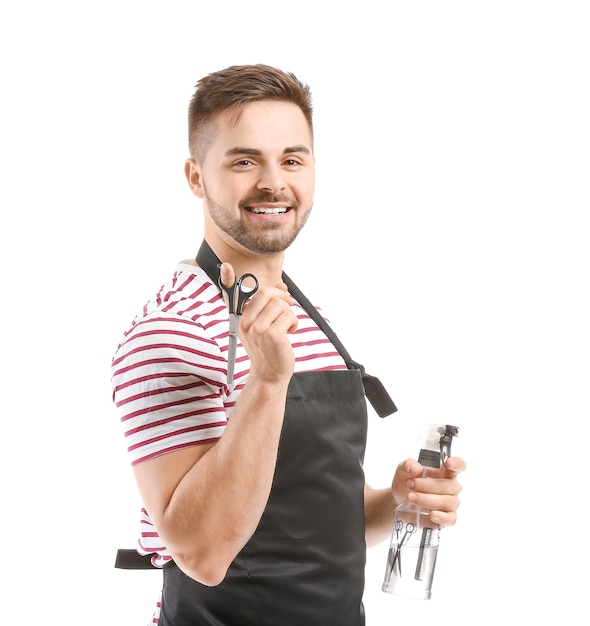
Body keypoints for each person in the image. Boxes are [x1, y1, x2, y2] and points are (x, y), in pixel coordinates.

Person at [111, 63, 466, 626]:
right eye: (244, 160)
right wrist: (267, 381)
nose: (274, 182)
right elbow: (201, 553)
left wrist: (397, 502)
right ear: (196, 176)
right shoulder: (169, 333)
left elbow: (307, 529)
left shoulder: (311, 317)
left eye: (292, 159)